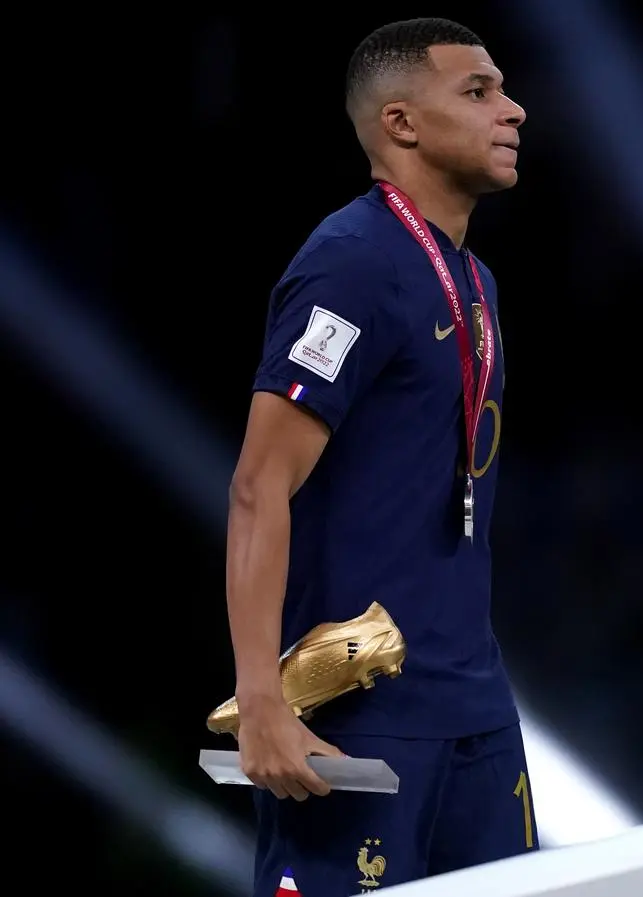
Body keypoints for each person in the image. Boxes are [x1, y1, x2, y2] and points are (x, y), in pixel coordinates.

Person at [220, 17, 534, 897]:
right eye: (477, 91)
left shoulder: (475, 282)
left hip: (476, 706)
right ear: (401, 123)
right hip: (362, 717)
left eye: (504, 88)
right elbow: (258, 485)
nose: (511, 110)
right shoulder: (351, 265)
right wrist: (262, 704)